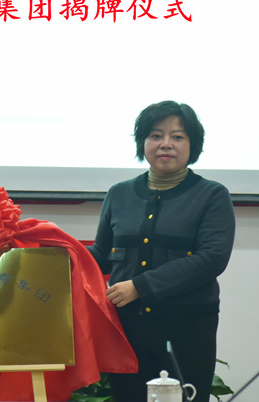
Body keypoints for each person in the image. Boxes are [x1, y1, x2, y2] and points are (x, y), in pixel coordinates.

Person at [88, 100, 236, 402]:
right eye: (155, 135)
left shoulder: (212, 195)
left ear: (193, 145)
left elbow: (212, 258)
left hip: (188, 327)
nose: (165, 144)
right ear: (142, 142)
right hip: (127, 328)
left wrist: (139, 287)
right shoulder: (119, 193)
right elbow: (102, 254)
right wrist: (54, 251)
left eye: (177, 136)